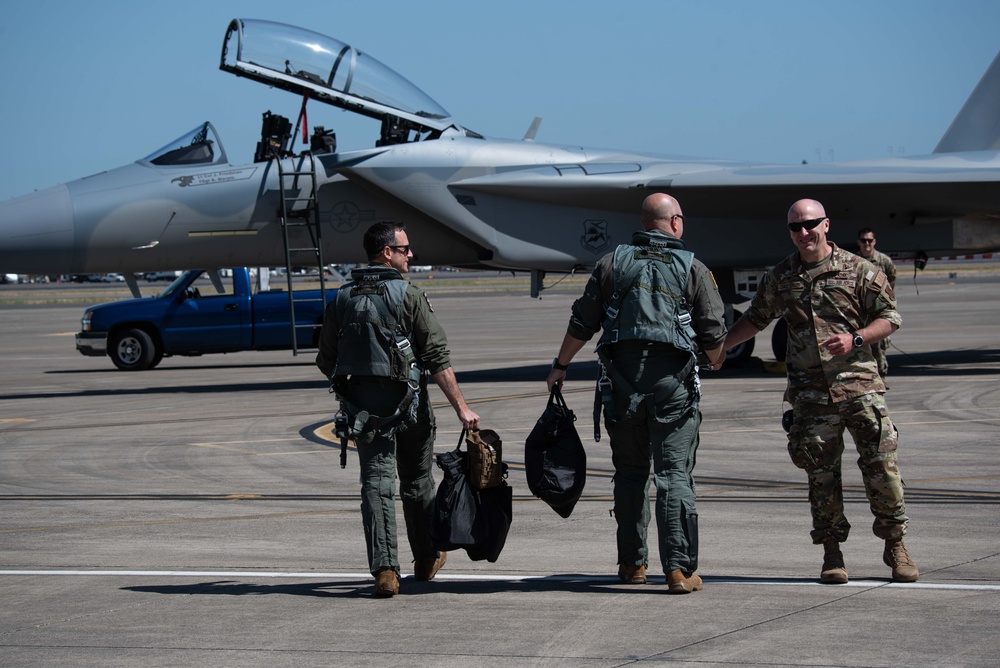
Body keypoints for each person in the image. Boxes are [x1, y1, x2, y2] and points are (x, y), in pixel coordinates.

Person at [724, 199, 918, 584]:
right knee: (821, 476)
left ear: (826, 225)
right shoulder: (782, 276)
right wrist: (719, 350)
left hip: (860, 388)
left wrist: (857, 338)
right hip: (811, 394)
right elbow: (756, 318)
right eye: (795, 227)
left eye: (810, 224)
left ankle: (895, 545)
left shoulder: (859, 269)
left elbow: (890, 316)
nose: (803, 233)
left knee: (882, 470)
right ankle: (832, 553)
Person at [546, 193, 727, 594]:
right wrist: (715, 359)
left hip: (621, 388)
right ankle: (678, 570)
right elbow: (713, 330)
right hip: (673, 389)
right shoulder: (692, 268)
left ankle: (632, 564)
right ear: (675, 223)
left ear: (644, 224)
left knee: (630, 474)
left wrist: (560, 366)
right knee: (673, 475)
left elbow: (582, 322)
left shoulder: (611, 263)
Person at [316, 221, 480, 598]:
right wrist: (461, 407)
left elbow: (327, 360)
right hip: (411, 408)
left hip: (365, 412)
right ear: (386, 252)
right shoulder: (409, 295)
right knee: (417, 482)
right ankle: (425, 558)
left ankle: (386, 571)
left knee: (376, 484)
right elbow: (437, 357)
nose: (410, 255)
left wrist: (354, 396)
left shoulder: (341, 299)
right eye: (405, 249)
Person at [856, 227, 897, 380]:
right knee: (860, 343)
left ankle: (882, 376)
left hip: (877, 308)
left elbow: (891, 281)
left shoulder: (884, 261)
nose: (866, 244)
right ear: (858, 242)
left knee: (879, 346)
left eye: (869, 240)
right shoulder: (853, 261)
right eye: (863, 240)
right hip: (861, 309)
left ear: (874, 242)